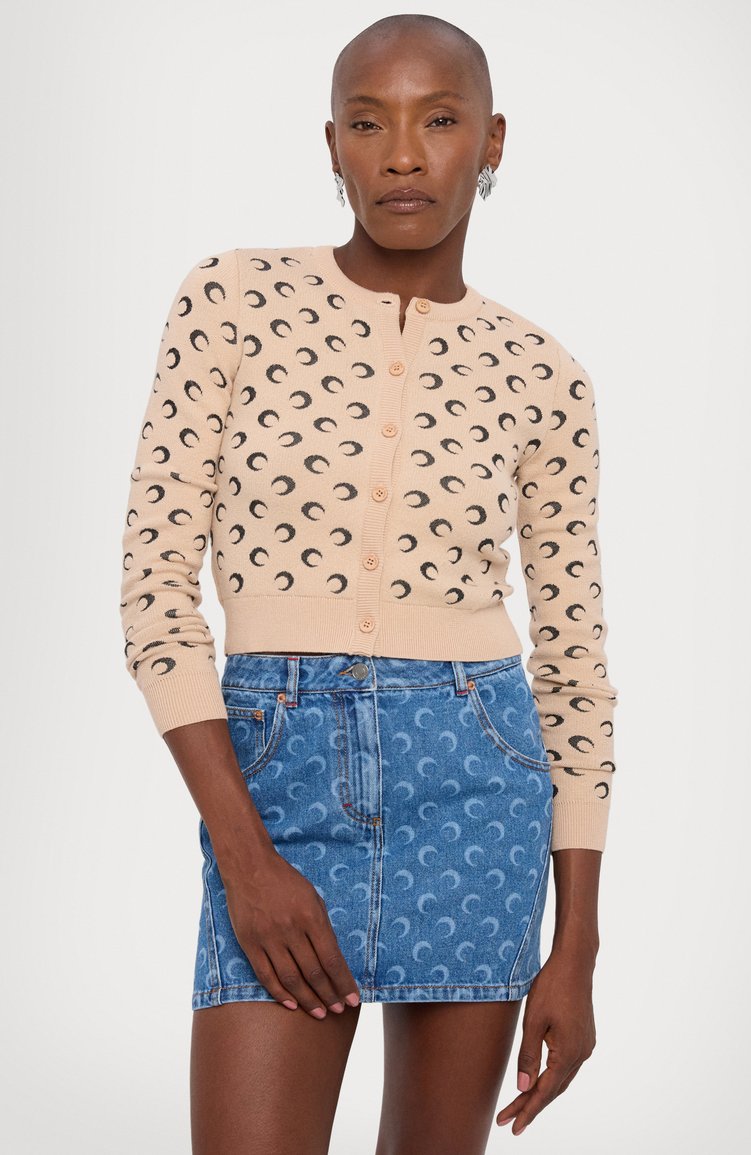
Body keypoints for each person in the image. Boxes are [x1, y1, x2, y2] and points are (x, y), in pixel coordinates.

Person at [118, 13, 619, 1153]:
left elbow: (576, 671)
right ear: (331, 144)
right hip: (276, 783)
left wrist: (577, 945)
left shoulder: (544, 375)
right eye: (366, 121)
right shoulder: (231, 301)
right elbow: (154, 594)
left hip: (476, 781)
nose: (401, 155)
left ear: (492, 141)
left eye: (438, 121)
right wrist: (244, 856)